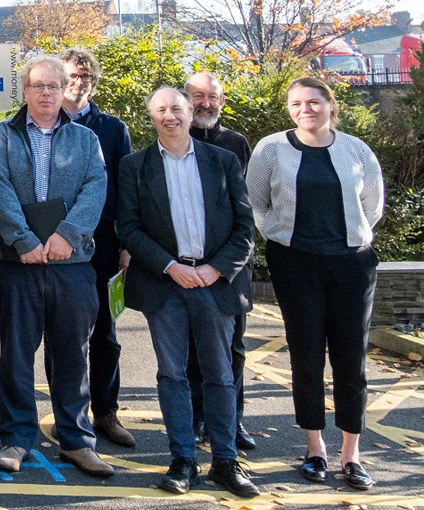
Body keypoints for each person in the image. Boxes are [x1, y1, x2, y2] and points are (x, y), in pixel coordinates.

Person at [118, 87, 259, 498]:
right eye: (160, 110)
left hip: (216, 285)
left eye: (176, 108)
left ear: (190, 111)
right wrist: (171, 266)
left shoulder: (223, 161)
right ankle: (182, 460)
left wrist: (217, 269)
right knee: (172, 374)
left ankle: (225, 461)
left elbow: (245, 226)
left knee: (219, 374)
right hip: (166, 284)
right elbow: (128, 228)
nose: (170, 116)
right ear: (152, 116)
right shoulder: (134, 166)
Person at [248, 77, 384, 491]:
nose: (305, 109)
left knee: (351, 361)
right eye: (296, 104)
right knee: (306, 358)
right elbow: (255, 200)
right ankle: (315, 448)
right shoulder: (271, 148)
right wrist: (278, 235)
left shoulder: (355, 149)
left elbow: (372, 204)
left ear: (329, 105)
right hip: (295, 263)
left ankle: (351, 454)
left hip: (350, 264)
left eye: (313, 102)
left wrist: (350, 237)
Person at [0, 56, 112, 478]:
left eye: (53, 86)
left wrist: (66, 236)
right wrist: (24, 240)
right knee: (17, 356)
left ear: (63, 90)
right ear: (27, 90)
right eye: (37, 86)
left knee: (72, 355)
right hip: (18, 264)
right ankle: (17, 438)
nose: (45, 93)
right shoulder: (3, 134)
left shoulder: (85, 139)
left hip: (70, 263)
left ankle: (76, 440)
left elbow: (95, 188)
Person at [56, 48, 135, 448]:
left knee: (105, 333)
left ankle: (105, 412)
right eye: (72, 73)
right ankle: (65, 415)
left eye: (86, 75)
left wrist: (124, 244)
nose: (79, 80)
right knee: (64, 335)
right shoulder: (41, 123)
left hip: (102, 243)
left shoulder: (113, 128)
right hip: (54, 244)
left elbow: (124, 192)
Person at [185, 71, 256, 450]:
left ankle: (232, 420)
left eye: (213, 97)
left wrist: (227, 260)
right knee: (194, 347)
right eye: (198, 96)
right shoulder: (176, 138)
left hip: (229, 264)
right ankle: (198, 419)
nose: (205, 103)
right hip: (189, 263)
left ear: (222, 101)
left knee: (235, 347)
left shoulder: (237, 144)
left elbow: (245, 207)